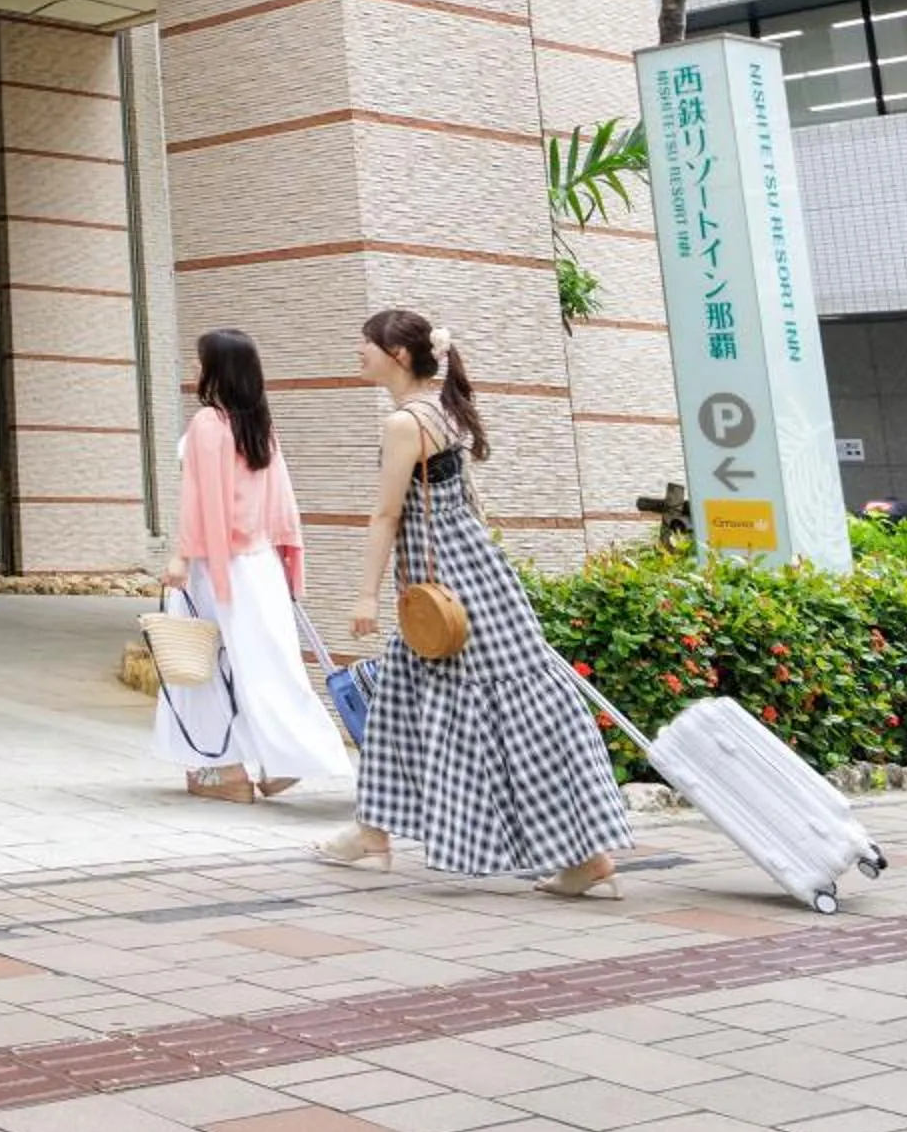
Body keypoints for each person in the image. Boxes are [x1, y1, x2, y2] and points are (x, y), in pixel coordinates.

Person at [321, 308, 632, 896]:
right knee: (400, 700)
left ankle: (588, 857)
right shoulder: (442, 409)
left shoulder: (404, 423)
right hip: (472, 574)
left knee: (509, 715)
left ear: (398, 355)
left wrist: (365, 594)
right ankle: (371, 832)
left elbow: (386, 514)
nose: (358, 351)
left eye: (367, 343)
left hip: (445, 586)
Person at [154, 329, 350, 801]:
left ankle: (222, 771)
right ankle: (290, 758)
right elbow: (281, 503)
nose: (194, 367)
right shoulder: (259, 425)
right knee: (271, 665)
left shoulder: (208, 423)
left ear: (217, 369)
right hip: (261, 565)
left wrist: (181, 556)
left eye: (200, 360)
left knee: (202, 664)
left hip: (216, 565)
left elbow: (199, 501)